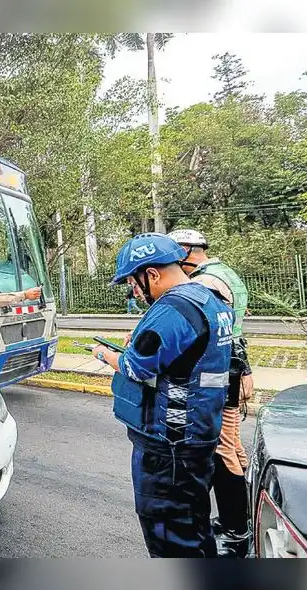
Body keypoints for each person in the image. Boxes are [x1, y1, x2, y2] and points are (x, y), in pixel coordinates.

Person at [92, 233, 234, 558]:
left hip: (169, 449)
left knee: (170, 539)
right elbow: (185, 356)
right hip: (198, 437)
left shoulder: (173, 308)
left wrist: (104, 354)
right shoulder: (209, 299)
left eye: (134, 283)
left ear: (152, 274)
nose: (135, 292)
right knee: (194, 530)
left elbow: (135, 366)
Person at [169, 228, 253, 557]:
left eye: (175, 259)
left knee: (224, 449)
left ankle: (236, 532)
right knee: (233, 446)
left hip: (222, 371)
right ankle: (239, 518)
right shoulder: (224, 272)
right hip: (233, 365)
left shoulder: (206, 282)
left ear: (188, 252)